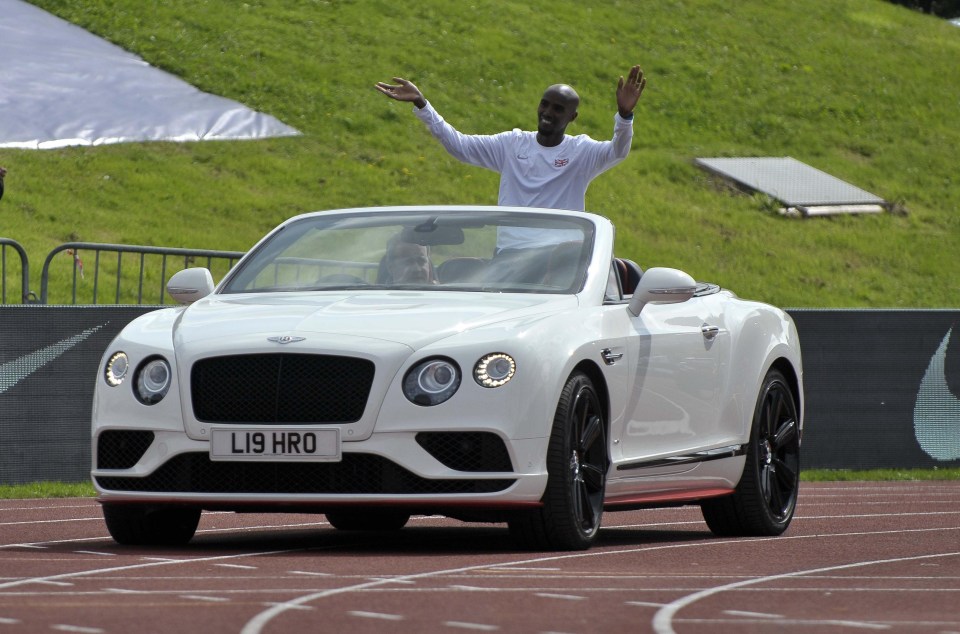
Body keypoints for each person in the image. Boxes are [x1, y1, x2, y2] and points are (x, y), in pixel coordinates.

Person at [375, 66, 646, 250]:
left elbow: (617, 151)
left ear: (571, 117)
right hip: (511, 256)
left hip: (562, 259)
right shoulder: (512, 143)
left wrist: (624, 116)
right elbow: (460, 146)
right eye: (545, 104)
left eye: (558, 109)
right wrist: (422, 104)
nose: (548, 112)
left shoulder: (581, 152)